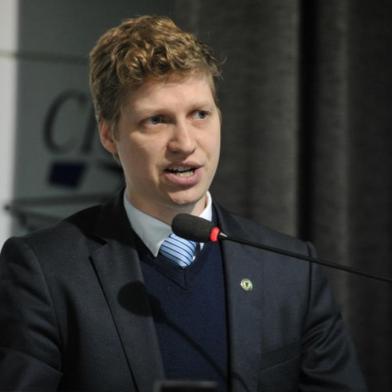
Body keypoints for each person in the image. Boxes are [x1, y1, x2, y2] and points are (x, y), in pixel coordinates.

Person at [0, 15, 367, 392]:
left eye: (200, 115)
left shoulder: (291, 269)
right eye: (157, 120)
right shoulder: (44, 271)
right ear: (109, 135)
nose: (185, 143)